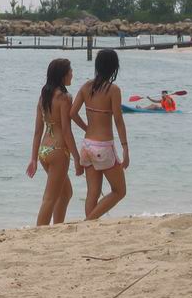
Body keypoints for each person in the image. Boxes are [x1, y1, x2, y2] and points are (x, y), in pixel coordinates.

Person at [70, 49, 129, 220]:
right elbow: (118, 120)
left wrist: (87, 128)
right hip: (103, 147)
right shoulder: (113, 90)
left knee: (92, 193)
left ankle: (89, 226)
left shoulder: (86, 86)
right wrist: (125, 148)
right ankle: (88, 222)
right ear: (113, 68)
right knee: (119, 191)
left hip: (87, 145)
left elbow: (72, 113)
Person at [27, 59, 80, 226]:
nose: (72, 74)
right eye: (70, 71)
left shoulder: (43, 97)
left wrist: (34, 158)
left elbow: (37, 131)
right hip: (59, 151)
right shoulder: (64, 98)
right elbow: (66, 131)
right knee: (49, 198)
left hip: (44, 151)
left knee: (65, 193)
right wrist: (77, 158)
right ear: (62, 75)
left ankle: (57, 227)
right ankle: (39, 231)